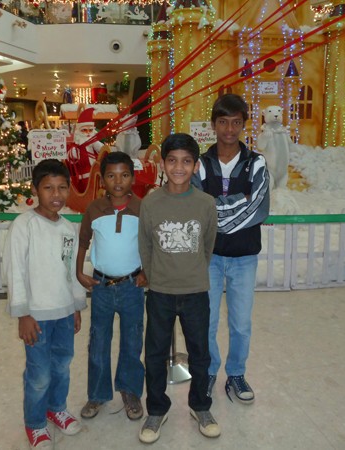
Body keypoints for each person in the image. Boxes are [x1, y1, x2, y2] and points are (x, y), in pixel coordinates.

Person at [138, 133, 219, 444]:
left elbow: (207, 245)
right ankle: (157, 409)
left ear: (196, 166)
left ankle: (200, 406)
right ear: (163, 164)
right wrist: (155, 276)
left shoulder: (206, 204)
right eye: (172, 160)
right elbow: (146, 245)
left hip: (195, 291)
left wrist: (192, 272)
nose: (179, 167)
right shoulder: (151, 203)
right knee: (155, 354)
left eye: (186, 161)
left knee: (200, 353)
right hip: (160, 292)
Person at [191, 93, 270, 404]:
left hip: (244, 257)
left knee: (241, 323)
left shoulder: (256, 163)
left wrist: (216, 212)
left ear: (243, 125)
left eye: (236, 122)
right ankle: (209, 371)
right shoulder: (200, 163)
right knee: (206, 322)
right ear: (213, 124)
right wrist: (240, 204)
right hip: (209, 257)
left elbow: (259, 208)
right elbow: (198, 209)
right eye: (223, 122)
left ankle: (236, 373)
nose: (229, 129)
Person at [2, 159, 86, 449]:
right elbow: (14, 270)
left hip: (64, 313)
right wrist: (23, 314)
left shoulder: (68, 228)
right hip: (36, 315)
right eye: (48, 188)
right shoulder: (24, 226)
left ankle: (56, 408)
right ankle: (36, 423)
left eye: (62, 187)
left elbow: (71, 270)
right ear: (35, 189)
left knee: (62, 365)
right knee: (39, 374)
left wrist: (76, 306)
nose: (56, 194)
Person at [76, 151, 147, 422]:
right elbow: (83, 242)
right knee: (98, 341)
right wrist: (79, 272)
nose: (118, 181)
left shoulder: (142, 208)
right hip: (101, 286)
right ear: (102, 179)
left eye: (124, 175)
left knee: (132, 341)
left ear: (133, 178)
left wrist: (147, 272)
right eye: (111, 176)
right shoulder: (94, 209)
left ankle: (130, 391)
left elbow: (151, 243)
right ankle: (97, 393)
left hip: (132, 286)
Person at [67, 108, 103, 192]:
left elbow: (104, 151)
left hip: (98, 177)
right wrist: (75, 152)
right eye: (84, 130)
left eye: (90, 130)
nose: (88, 133)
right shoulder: (76, 145)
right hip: (85, 180)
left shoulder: (94, 144)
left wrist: (96, 144)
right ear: (79, 131)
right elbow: (70, 158)